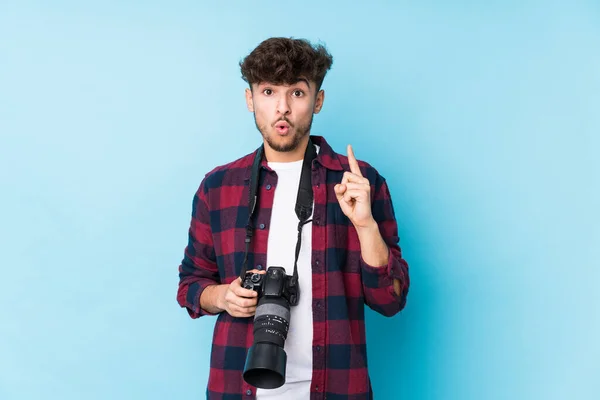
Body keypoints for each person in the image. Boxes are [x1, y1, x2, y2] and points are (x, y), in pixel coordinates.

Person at [176, 37, 410, 400]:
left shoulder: (359, 183)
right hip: (237, 389)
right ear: (250, 99)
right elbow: (190, 283)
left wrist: (365, 225)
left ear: (317, 99)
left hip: (336, 389)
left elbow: (390, 300)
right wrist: (222, 296)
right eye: (268, 92)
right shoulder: (218, 187)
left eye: (297, 93)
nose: (282, 108)